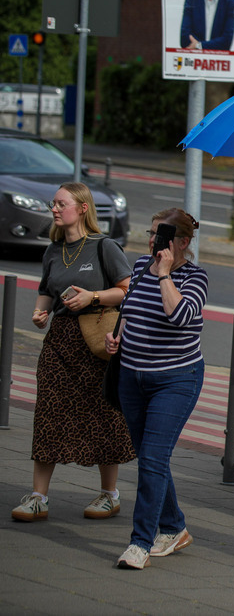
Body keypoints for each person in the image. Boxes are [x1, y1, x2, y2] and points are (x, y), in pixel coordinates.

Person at [12, 183, 134, 523]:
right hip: (60, 340)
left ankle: (109, 494)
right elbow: (45, 291)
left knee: (103, 413)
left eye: (61, 203)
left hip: (96, 339)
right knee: (48, 411)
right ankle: (38, 497)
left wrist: (92, 297)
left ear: (82, 208)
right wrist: (40, 312)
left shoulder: (104, 246)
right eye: (53, 203)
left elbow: (126, 290)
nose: (54, 209)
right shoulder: (53, 250)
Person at [107, 208, 208, 569]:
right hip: (131, 377)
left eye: (161, 235)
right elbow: (129, 310)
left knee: (152, 458)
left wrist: (165, 274)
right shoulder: (139, 266)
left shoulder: (195, 277)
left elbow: (179, 316)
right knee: (151, 457)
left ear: (182, 242)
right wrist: (117, 336)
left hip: (176, 379)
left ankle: (140, 542)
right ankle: (175, 526)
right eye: (151, 233)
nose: (153, 241)